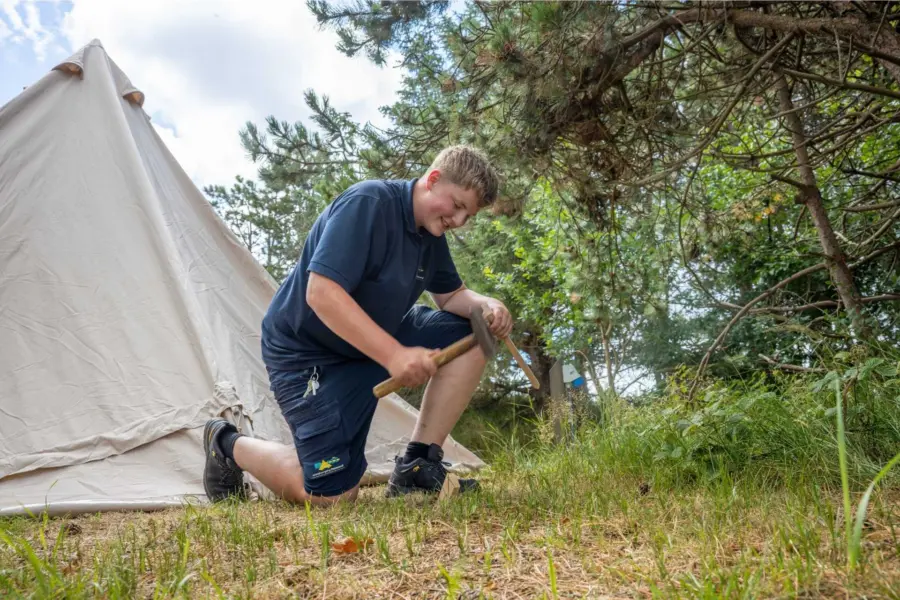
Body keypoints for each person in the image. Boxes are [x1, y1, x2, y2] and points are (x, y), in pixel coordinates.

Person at [201, 145, 512, 506]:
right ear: (434, 179)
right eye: (457, 206)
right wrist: (394, 355)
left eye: (467, 216)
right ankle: (226, 444)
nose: (458, 221)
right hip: (306, 355)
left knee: (475, 332)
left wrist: (486, 304)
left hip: (375, 337)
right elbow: (322, 294)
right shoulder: (367, 203)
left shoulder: (431, 233)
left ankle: (417, 467)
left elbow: (451, 295)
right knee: (331, 497)